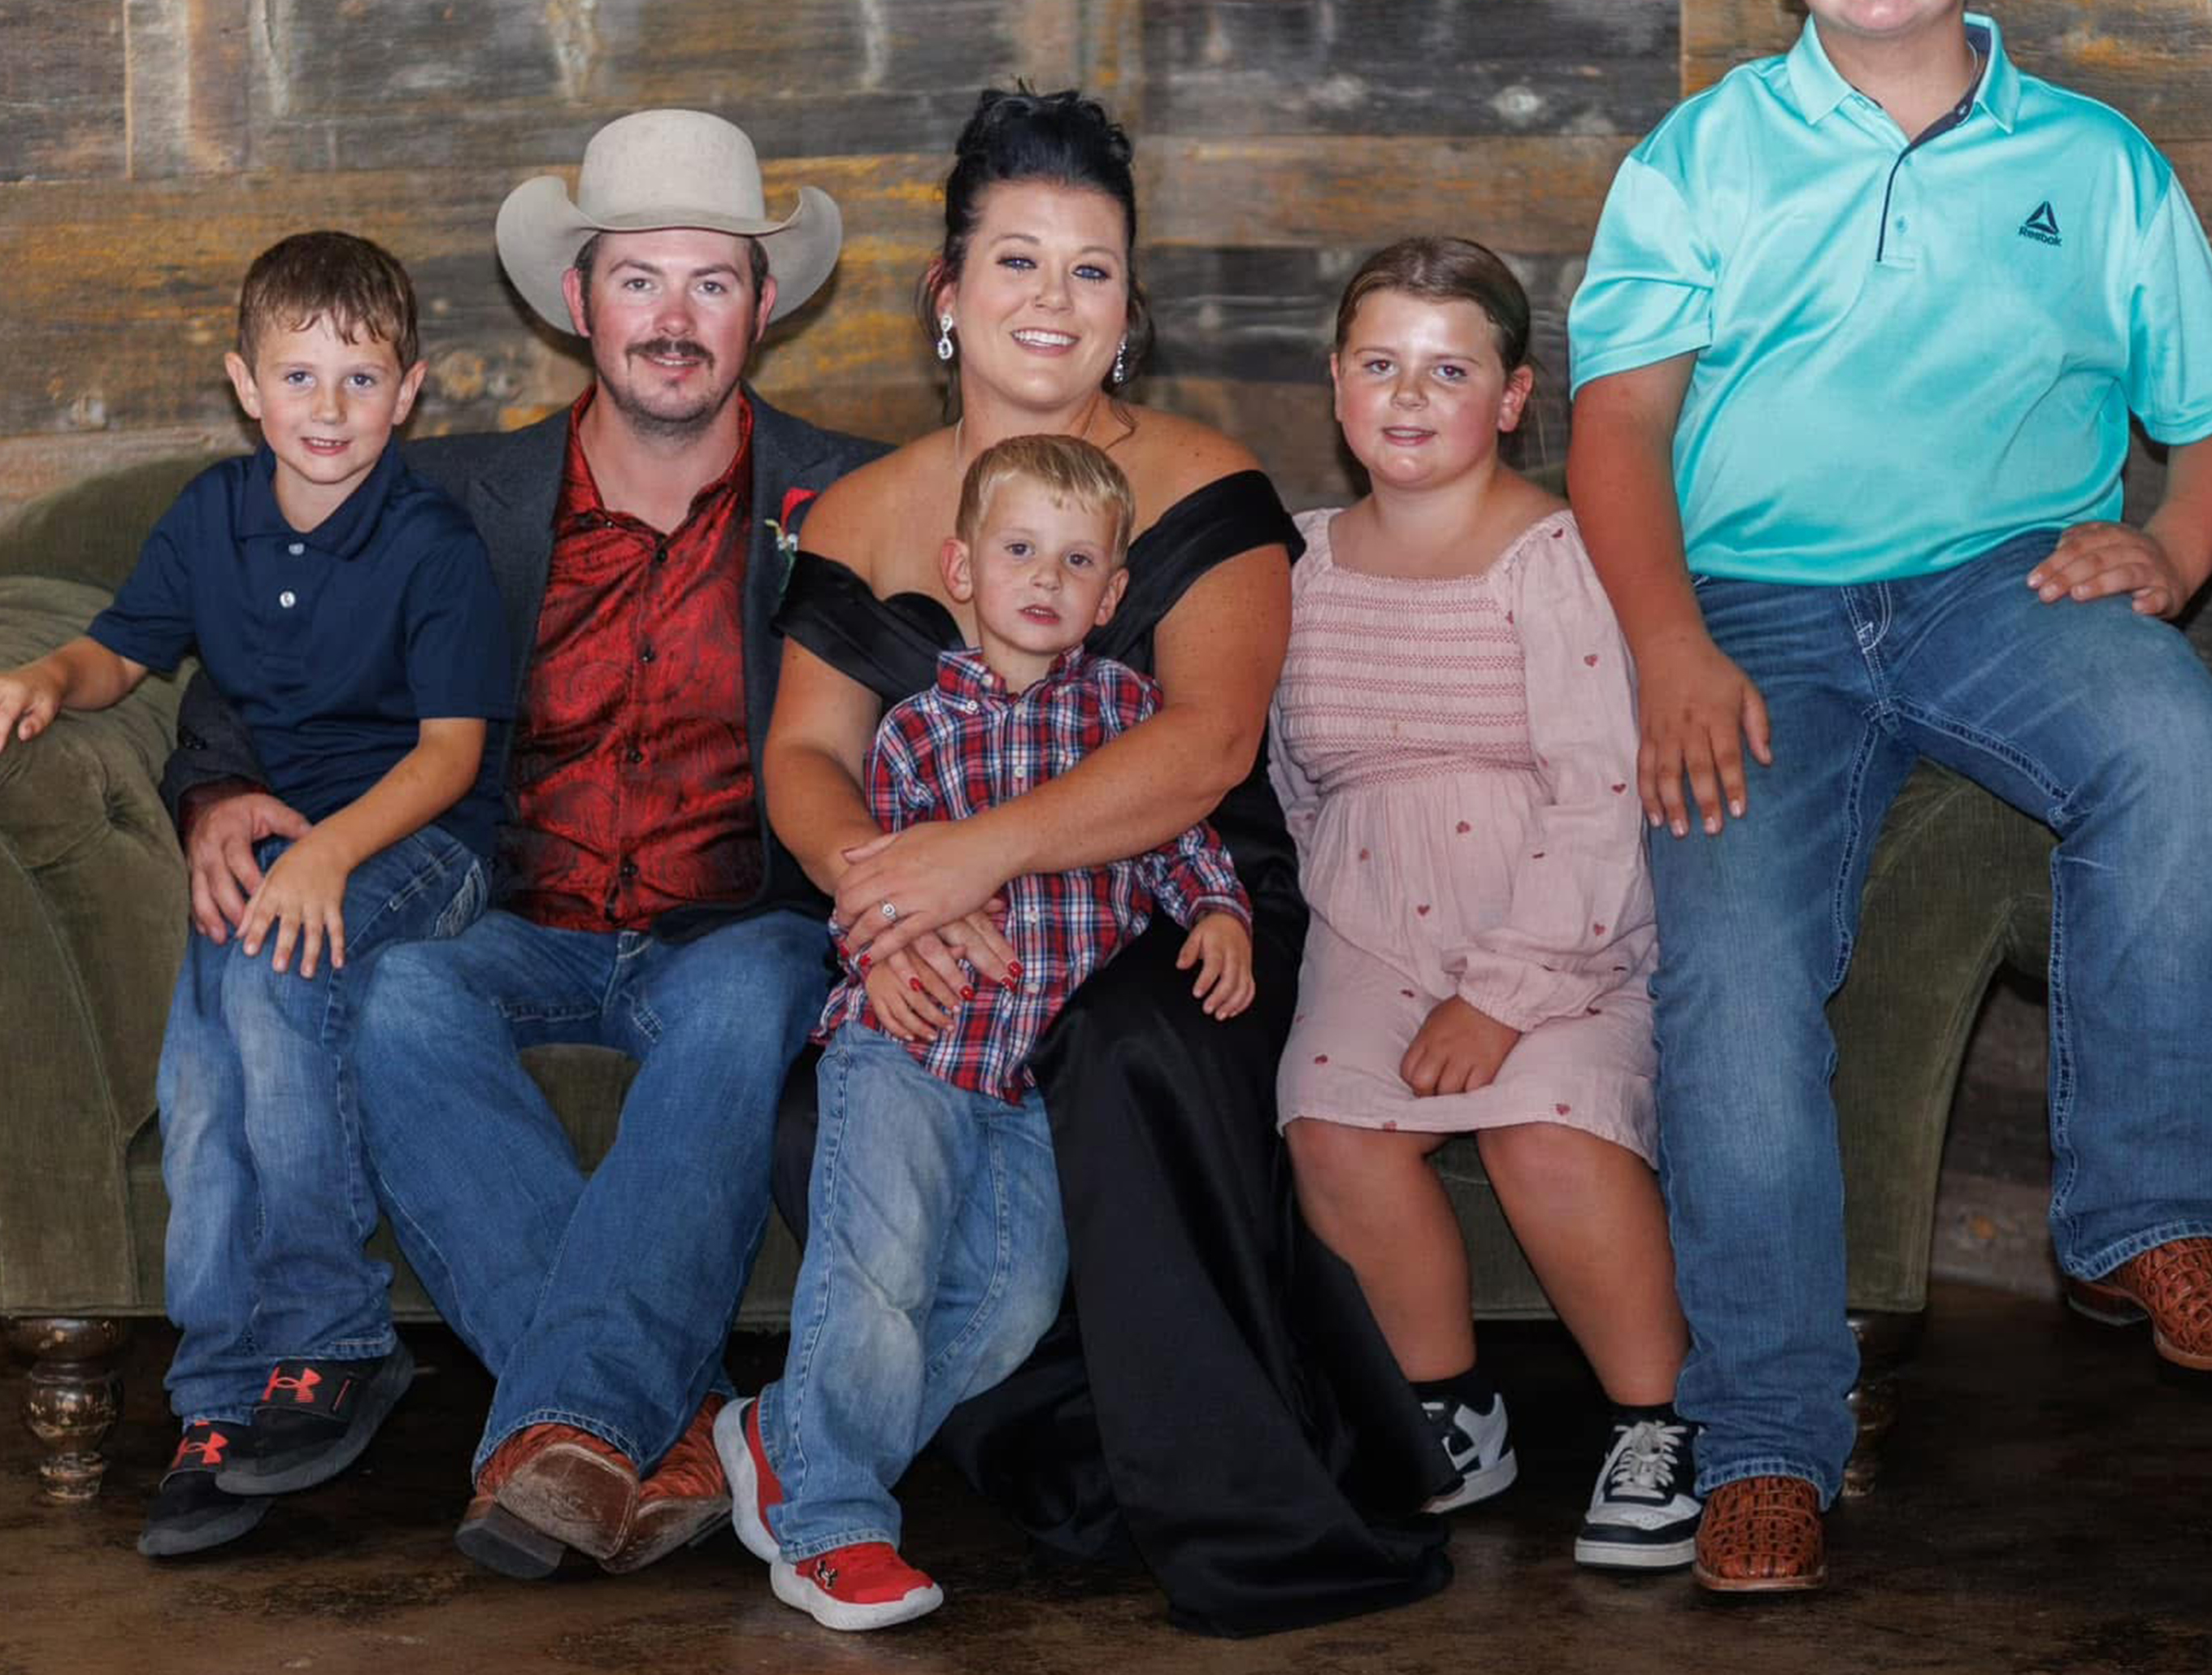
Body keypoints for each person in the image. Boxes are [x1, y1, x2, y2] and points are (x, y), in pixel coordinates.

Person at [1562, 0, 2212, 1595]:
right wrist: (1668, 646)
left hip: (2003, 583)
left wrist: (2172, 550)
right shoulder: (1699, 159)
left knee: (2166, 729)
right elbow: (1617, 429)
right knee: (1733, 971)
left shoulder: (2096, 162)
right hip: (1758, 613)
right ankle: (1766, 1444)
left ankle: (2148, 1223)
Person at [761, 85, 1452, 1636]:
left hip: (1178, 897)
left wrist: (966, 862)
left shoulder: (1207, 483)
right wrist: (888, 898)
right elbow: (805, 755)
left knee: (1134, 1045)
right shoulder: (863, 511)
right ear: (947, 292)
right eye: (1016, 260)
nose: (1053, 300)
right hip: (937, 903)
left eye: (1092, 271)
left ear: (1129, 312)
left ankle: (1220, 1492)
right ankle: (940, 1449)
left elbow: (1207, 745)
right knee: (833, 1098)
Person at [163, 111, 876, 1579]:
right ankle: (672, 1429)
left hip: (733, 921)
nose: (673, 319)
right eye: (638, 280)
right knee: (396, 994)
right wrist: (218, 787)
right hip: (516, 913)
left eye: (712, 283)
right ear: (577, 301)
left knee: (752, 994)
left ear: (762, 306)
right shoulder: (453, 499)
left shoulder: (855, 498)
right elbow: (277, 639)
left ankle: (572, 1430)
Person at [0, 232, 511, 1558]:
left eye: (361, 379)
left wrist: (328, 854)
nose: (329, 409)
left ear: (411, 390)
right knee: (199, 1080)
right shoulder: (214, 516)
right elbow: (119, 652)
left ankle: (333, 1335)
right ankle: (219, 1399)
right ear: (245, 386)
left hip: (420, 843)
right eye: (298, 377)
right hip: (276, 848)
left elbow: (451, 757)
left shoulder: (432, 544)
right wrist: (43, 680)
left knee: (271, 969)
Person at [719, 435, 1256, 1632]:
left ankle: (782, 1438)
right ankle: (832, 1528)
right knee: (881, 1275)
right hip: (906, 1044)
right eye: (1019, 550)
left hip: (1030, 1076)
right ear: (961, 570)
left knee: (1012, 1303)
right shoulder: (914, 730)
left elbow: (1178, 838)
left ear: (1112, 596)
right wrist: (881, 945)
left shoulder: (1128, 717)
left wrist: (1220, 912)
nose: (1046, 578)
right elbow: (865, 874)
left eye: (1078, 561)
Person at [1272, 238, 1698, 1572]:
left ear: (1513, 398)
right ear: (1337, 382)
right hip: (1368, 917)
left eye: (1449, 371)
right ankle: (1448, 1407)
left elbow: (1602, 788)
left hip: (1553, 918)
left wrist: (1503, 994)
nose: (1408, 395)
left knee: (1541, 1130)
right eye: (1380, 364)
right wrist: (1336, 906)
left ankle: (1658, 1418)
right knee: (1331, 1125)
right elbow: (1293, 776)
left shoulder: (1555, 555)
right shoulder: (1299, 563)